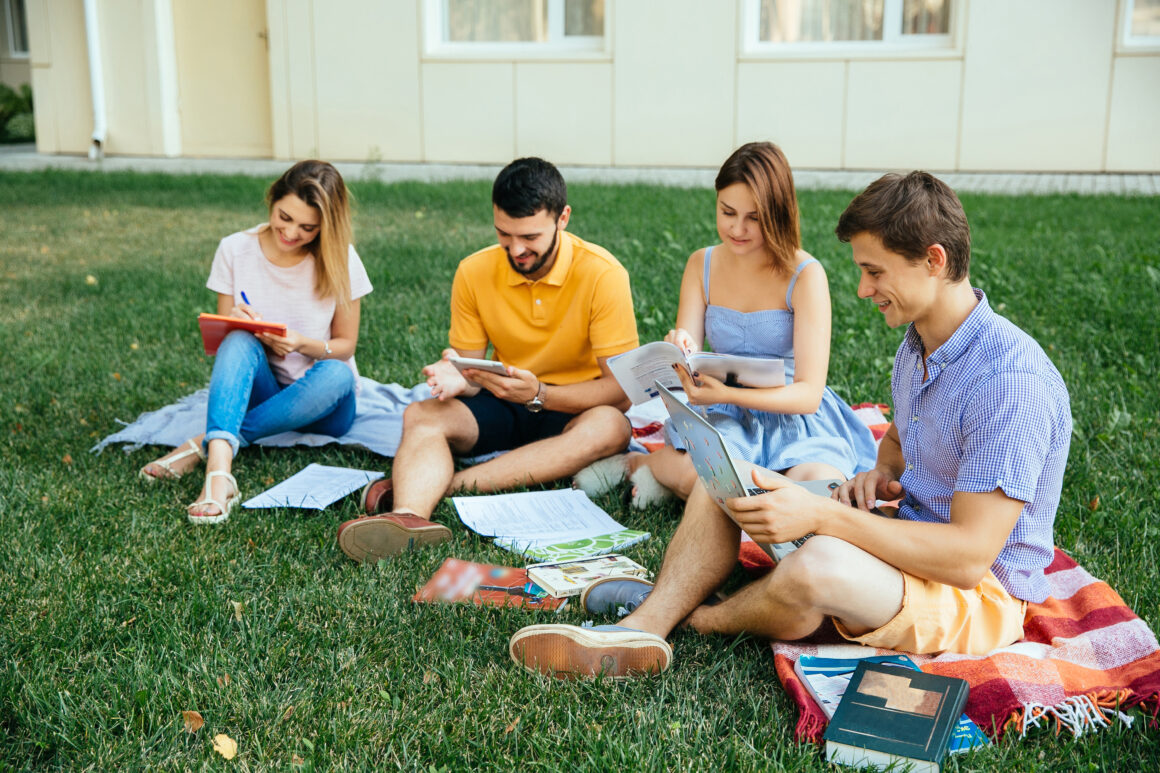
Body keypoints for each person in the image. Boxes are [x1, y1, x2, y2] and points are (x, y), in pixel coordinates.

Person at [509, 171, 1072, 678]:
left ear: (933, 260)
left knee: (817, 566)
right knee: (729, 474)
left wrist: (824, 514)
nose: (862, 289)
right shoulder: (922, 342)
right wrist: (878, 474)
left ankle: (698, 620)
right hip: (905, 534)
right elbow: (900, 437)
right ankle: (649, 623)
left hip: (977, 591)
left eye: (874, 272)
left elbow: (969, 557)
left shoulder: (1008, 380)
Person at [336, 157, 639, 563]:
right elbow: (473, 370)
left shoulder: (603, 274)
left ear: (562, 218)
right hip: (504, 397)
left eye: (529, 236)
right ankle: (407, 518)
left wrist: (541, 394)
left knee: (611, 428)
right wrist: (460, 376)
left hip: (573, 406)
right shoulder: (474, 271)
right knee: (422, 416)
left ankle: (443, 485)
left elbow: (621, 393)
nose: (516, 249)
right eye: (503, 233)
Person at [574, 141, 876, 507]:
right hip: (725, 416)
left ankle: (679, 478)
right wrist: (681, 346)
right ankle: (642, 461)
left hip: (792, 418)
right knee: (714, 482)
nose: (737, 228)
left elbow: (808, 395)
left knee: (819, 492)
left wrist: (729, 393)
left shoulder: (805, 274)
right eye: (727, 212)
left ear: (778, 214)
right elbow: (689, 350)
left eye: (754, 217)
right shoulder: (701, 264)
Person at [139, 160, 372, 525]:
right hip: (264, 389)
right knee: (236, 338)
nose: (291, 232)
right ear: (272, 199)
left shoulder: (341, 258)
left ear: (325, 226)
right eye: (285, 217)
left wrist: (300, 343)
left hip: (327, 404)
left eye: (308, 227)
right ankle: (219, 477)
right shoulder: (235, 249)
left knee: (338, 374)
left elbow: (345, 346)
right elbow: (223, 336)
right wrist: (248, 328)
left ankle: (205, 444)